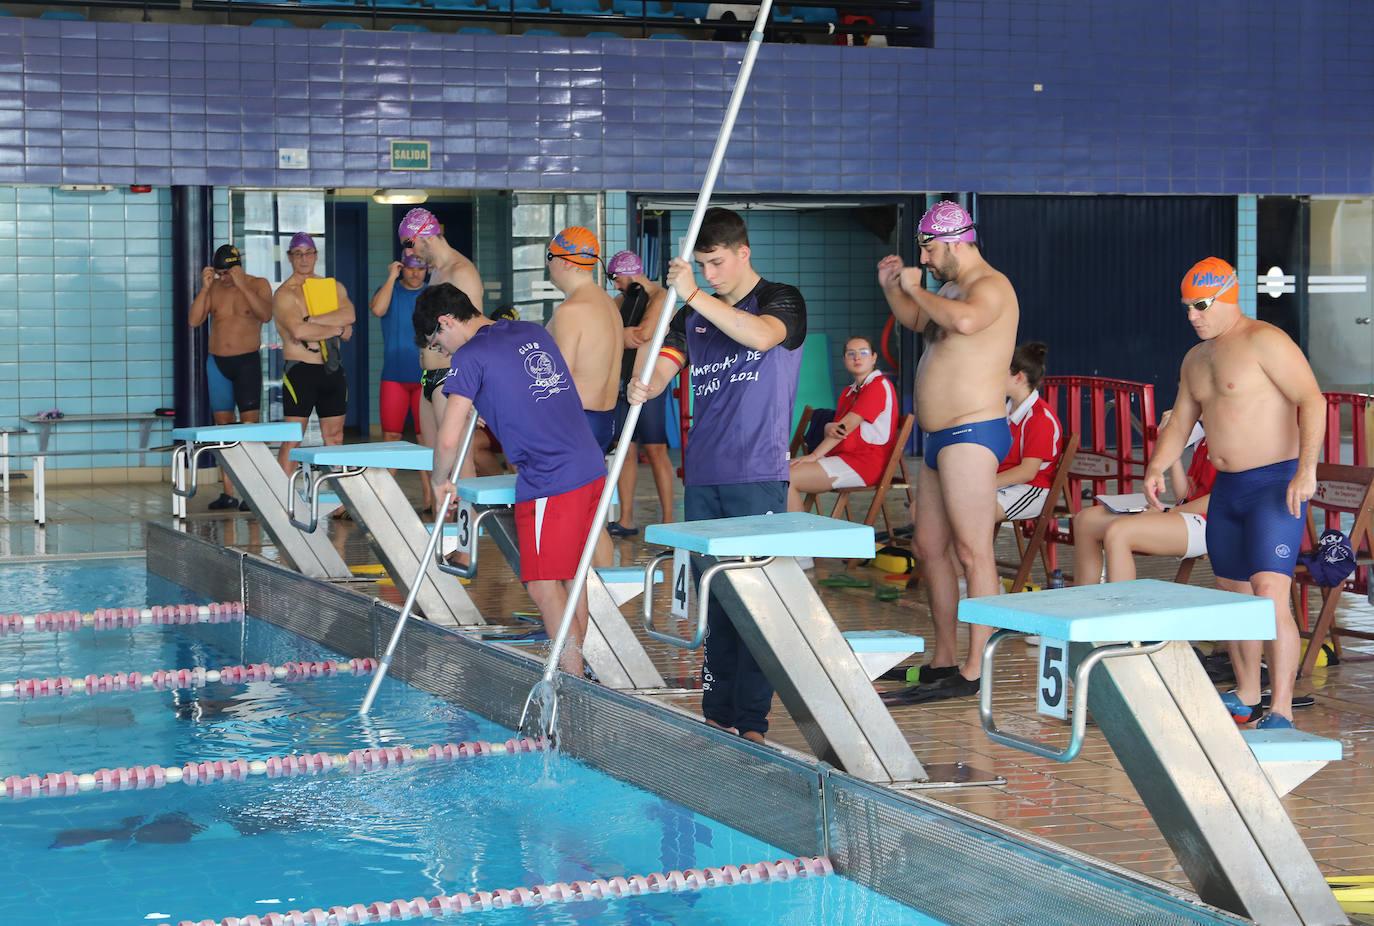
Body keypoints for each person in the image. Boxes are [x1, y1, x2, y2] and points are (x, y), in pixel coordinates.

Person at [627, 206, 807, 745]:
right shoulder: (692, 314)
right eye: (702, 266)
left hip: (757, 475)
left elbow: (759, 338)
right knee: (718, 602)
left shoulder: (782, 299)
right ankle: (716, 713)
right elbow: (664, 368)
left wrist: (693, 295)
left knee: (757, 604)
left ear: (743, 253)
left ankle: (752, 722)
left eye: (717, 263)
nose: (710, 275)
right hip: (703, 477)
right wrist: (647, 381)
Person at [1143, 257, 1325, 729]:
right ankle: (1246, 693)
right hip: (1229, 491)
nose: (1192, 316)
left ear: (1228, 297)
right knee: (1234, 598)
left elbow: (1312, 400)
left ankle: (1281, 707)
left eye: (1200, 306)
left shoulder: (1264, 340)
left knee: (1268, 594)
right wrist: (1157, 466)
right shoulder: (1195, 359)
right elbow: (1182, 418)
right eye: (1186, 308)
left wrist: (1307, 471)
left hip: (1274, 485)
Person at [417, 283, 605, 677]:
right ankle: (577, 670)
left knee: (541, 585)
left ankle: (567, 682)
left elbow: (448, 437)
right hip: (588, 465)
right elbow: (539, 392)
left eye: (438, 343)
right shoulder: (532, 331)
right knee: (571, 577)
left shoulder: (470, 356)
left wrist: (439, 481)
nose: (443, 352)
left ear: (445, 321)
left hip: (549, 478)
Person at [876, 200, 1018, 706]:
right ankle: (943, 659)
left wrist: (916, 288)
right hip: (938, 439)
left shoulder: (991, 287)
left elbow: (962, 323)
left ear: (957, 240)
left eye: (931, 249)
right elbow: (921, 321)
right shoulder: (950, 288)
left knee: (972, 551)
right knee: (929, 549)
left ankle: (977, 667)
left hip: (972, 432)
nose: (928, 260)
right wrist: (897, 289)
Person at [398, 208, 487, 511]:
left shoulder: (462, 272)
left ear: (425, 235)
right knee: (436, 461)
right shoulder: (437, 271)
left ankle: (466, 548)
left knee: (461, 465)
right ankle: (441, 545)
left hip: (452, 378)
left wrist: (475, 389)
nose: (408, 252)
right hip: (429, 378)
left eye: (409, 243)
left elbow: (475, 334)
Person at [545, 226, 622, 568]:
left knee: (567, 522)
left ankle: (574, 615)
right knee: (592, 521)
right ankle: (600, 609)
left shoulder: (571, 310)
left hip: (575, 424)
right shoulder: (608, 304)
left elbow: (554, 383)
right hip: (604, 422)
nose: (548, 266)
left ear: (564, 261)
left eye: (549, 258)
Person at [1073, 414, 1214, 584]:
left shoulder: (1231, 437)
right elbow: (1185, 496)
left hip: (1216, 523)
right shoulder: (1205, 435)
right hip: (1187, 513)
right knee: (1086, 521)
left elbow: (1219, 500)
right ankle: (1087, 601)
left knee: (1119, 532)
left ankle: (1121, 608)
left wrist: (1168, 512)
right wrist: (1173, 450)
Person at [187, 244, 273, 511]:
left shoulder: (258, 284)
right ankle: (228, 493)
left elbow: (266, 314)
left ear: (238, 267)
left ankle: (253, 493)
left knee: (250, 431)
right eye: (219, 273)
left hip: (247, 363)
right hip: (218, 364)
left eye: (227, 272)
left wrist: (241, 284)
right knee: (223, 429)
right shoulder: (213, 289)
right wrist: (204, 288)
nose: (223, 277)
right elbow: (194, 320)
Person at [271, 233, 355, 474]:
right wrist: (337, 329)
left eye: (308, 253)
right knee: (292, 440)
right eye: (298, 254)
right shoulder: (284, 294)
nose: (304, 258)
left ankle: (341, 505)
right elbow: (298, 330)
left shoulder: (331, 287)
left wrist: (312, 319)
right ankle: (279, 501)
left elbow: (349, 315)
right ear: (290, 258)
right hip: (301, 371)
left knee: (335, 437)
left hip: (332, 370)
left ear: (316, 256)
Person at [605, 250, 675, 536]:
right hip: (622, 385)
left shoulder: (662, 296)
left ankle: (669, 519)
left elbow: (643, 334)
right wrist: (622, 334)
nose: (614, 284)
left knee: (656, 450)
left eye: (615, 277)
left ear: (629, 272)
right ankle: (626, 519)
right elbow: (605, 330)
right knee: (625, 450)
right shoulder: (621, 300)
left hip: (650, 384)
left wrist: (618, 334)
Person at [787, 334, 898, 512]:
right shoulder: (848, 392)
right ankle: (793, 533)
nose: (857, 357)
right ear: (844, 359)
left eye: (863, 352)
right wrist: (827, 427)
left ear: (874, 357)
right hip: (842, 458)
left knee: (788, 478)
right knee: (780, 473)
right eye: (850, 353)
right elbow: (838, 431)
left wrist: (813, 456)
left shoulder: (878, 385)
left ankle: (800, 537)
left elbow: (847, 426)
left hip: (864, 464)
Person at [370, 249, 429, 504]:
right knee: (390, 437)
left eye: (420, 268)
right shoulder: (389, 290)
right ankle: (384, 498)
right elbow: (377, 310)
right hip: (394, 376)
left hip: (425, 377)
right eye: (410, 268)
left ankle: (430, 498)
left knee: (425, 439)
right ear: (401, 267)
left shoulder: (432, 293)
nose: (415, 273)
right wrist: (391, 278)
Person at [994, 342, 1062, 523]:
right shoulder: (1003, 409)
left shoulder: (1040, 418)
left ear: (1019, 377)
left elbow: (1027, 472)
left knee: (966, 512)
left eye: (1002, 372)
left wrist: (982, 484)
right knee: (941, 506)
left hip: (1030, 489)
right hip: (1003, 483)